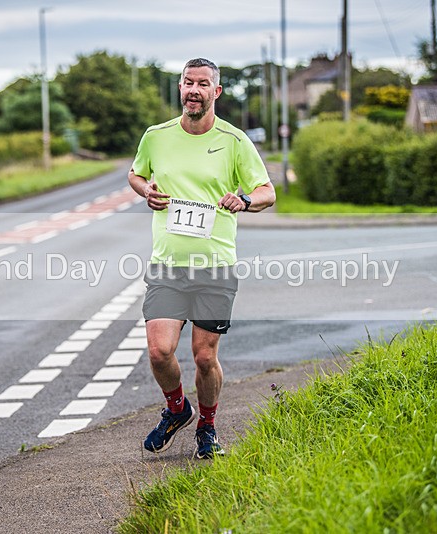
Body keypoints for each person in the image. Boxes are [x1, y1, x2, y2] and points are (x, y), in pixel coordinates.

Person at [127, 58, 276, 459]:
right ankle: (178, 409)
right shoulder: (156, 136)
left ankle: (207, 428)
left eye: (203, 83)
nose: (194, 90)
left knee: (205, 357)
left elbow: (267, 191)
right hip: (168, 265)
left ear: (216, 92)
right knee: (159, 351)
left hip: (215, 266)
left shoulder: (234, 141)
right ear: (180, 88)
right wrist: (146, 191)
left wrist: (244, 200)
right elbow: (136, 174)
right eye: (188, 82)